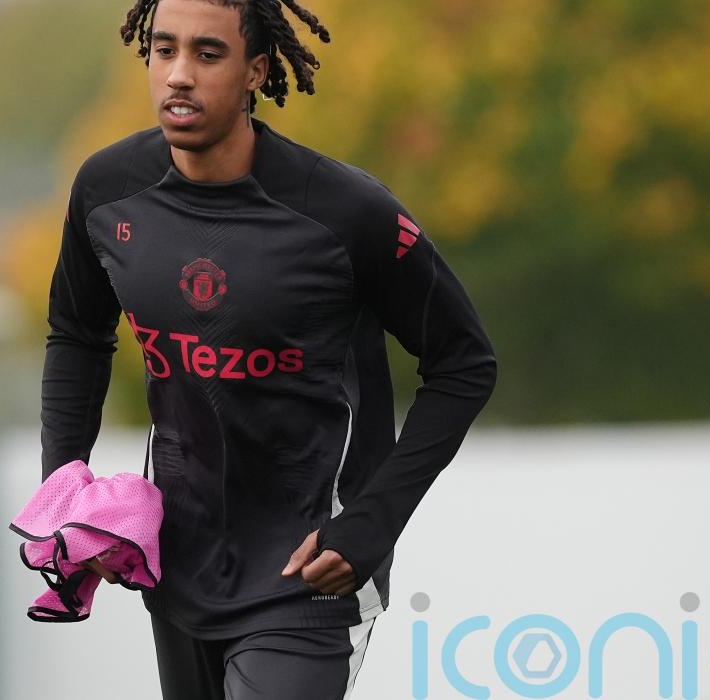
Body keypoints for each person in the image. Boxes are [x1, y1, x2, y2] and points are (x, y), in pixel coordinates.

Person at [40, 0, 497, 697]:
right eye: (164, 50)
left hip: (308, 574)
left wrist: (371, 525)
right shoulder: (107, 192)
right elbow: (77, 333)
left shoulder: (346, 212)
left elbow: (464, 364)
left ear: (256, 70)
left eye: (208, 53)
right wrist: (66, 489)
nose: (179, 74)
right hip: (179, 568)